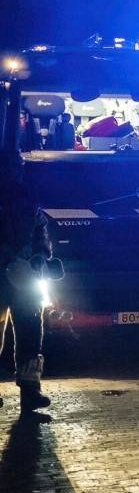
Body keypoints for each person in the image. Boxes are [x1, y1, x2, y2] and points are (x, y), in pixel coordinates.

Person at [0, 153, 53, 415]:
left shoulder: (28, 198)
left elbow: (41, 228)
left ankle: (30, 393)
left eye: (19, 167)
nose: (17, 172)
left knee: (31, 334)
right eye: (13, 167)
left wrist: (40, 254)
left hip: (26, 277)